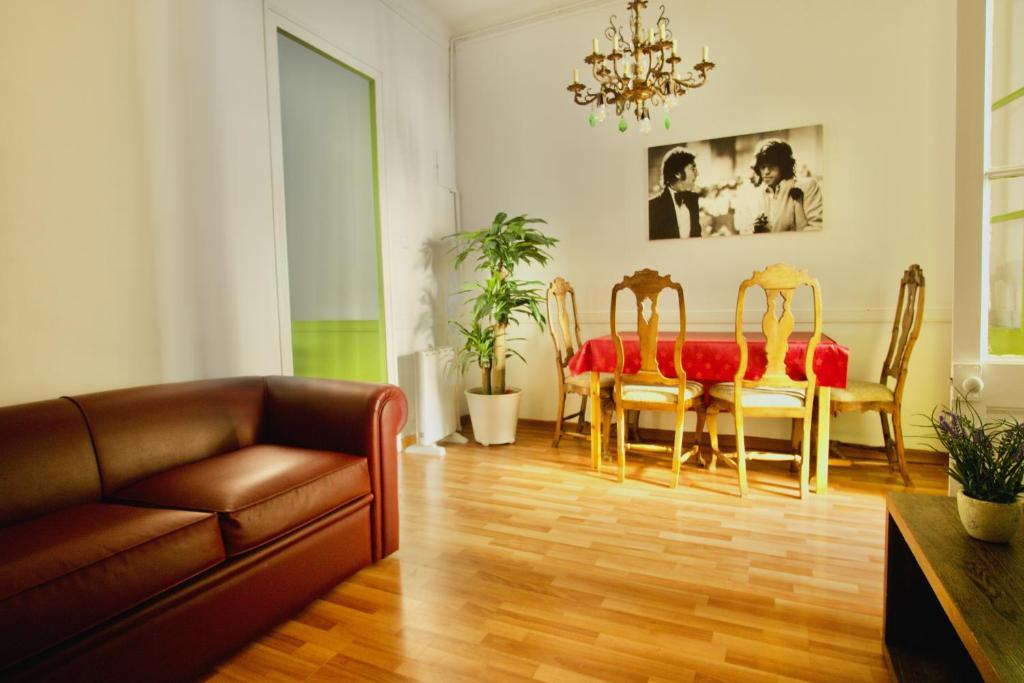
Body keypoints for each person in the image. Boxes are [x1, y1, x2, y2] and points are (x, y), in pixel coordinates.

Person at [751, 140, 823, 233]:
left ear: (783, 166)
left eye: (772, 166)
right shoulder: (763, 192)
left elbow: (816, 228)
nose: (766, 172)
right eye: (763, 167)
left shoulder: (807, 185)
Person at [649, 147, 701, 240]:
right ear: (678, 173)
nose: (697, 174)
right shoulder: (652, 207)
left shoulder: (693, 200)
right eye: (692, 168)